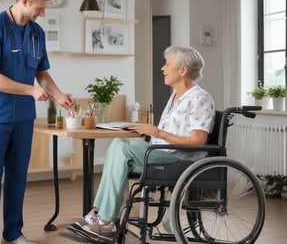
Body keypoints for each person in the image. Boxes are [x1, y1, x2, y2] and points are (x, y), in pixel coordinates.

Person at [68, 45, 215, 243]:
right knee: (119, 143)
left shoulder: (200, 98)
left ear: (183, 70)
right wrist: (147, 130)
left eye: (167, 64)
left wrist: (158, 132)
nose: (163, 68)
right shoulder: (175, 96)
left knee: (121, 146)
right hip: (161, 152)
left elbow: (198, 141)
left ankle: (106, 221)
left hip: (179, 158)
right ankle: (98, 215)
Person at [0, 0, 74, 244]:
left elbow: (41, 72)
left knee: (17, 178)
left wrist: (59, 95)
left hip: (23, 116)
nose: (42, 13)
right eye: (39, 8)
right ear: (24, 1)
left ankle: (13, 233)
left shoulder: (36, 32)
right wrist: (31, 90)